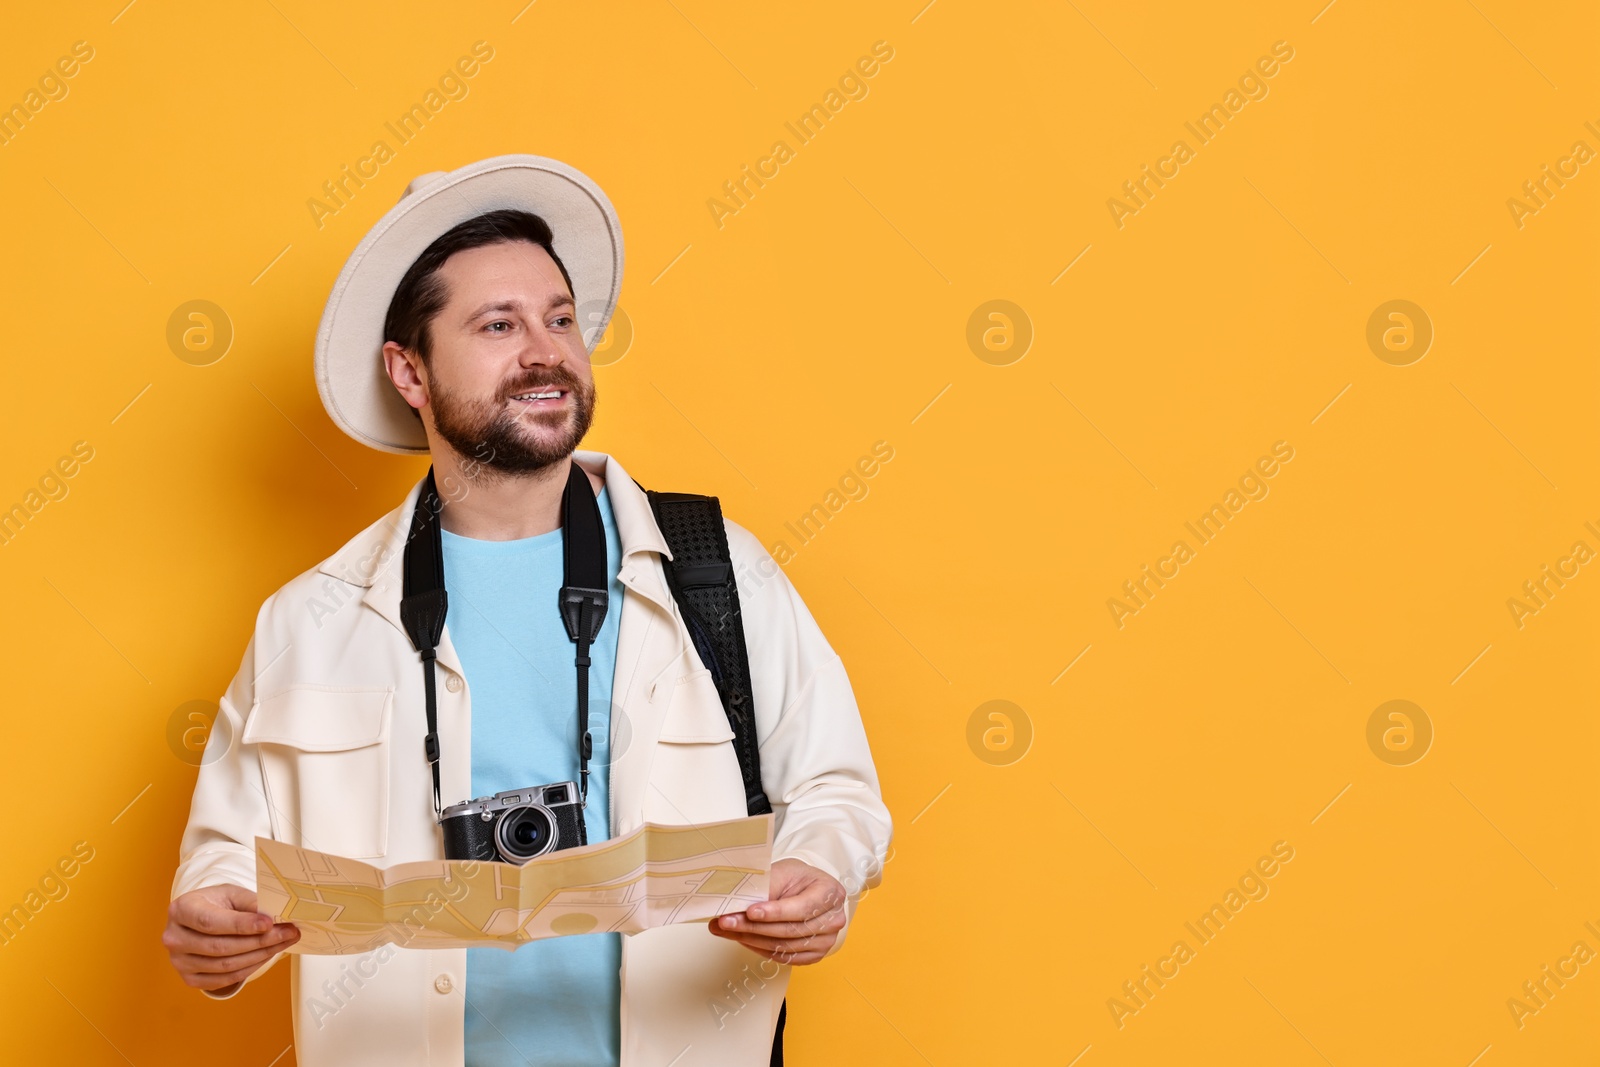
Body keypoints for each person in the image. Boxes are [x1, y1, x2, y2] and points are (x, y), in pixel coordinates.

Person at [162, 155, 893, 1066]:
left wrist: (822, 872)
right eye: (498, 324)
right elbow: (225, 855)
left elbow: (836, 789)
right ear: (410, 371)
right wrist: (212, 925)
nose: (546, 350)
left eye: (558, 319)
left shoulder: (717, 570)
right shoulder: (307, 622)